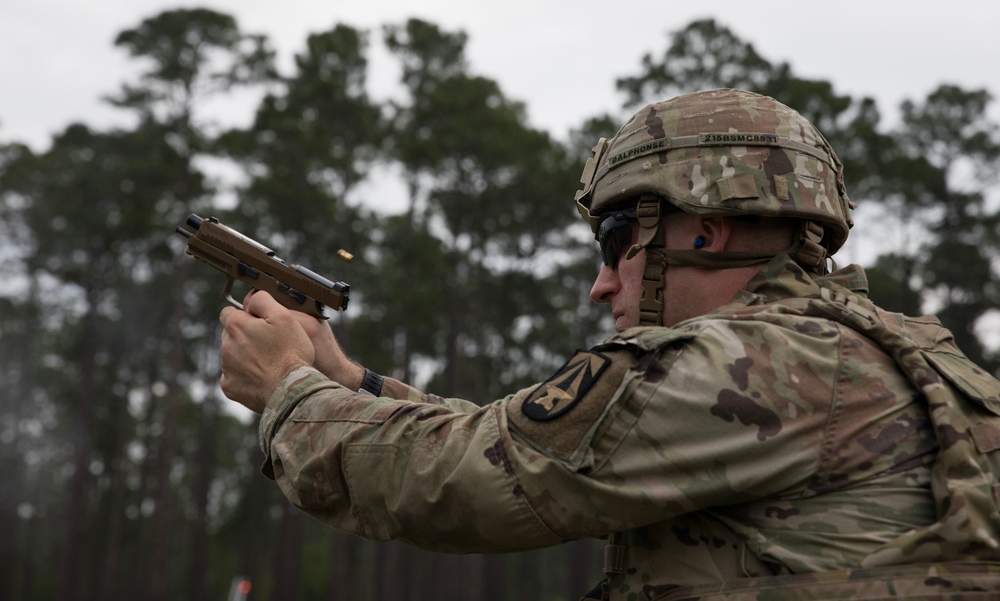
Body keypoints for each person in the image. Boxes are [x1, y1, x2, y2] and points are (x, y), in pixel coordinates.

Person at [219, 89, 1000, 600]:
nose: (602, 282)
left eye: (618, 239)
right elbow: (517, 441)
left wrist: (289, 391)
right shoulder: (904, 355)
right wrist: (346, 377)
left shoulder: (753, 364)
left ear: (702, 228)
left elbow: (468, 479)